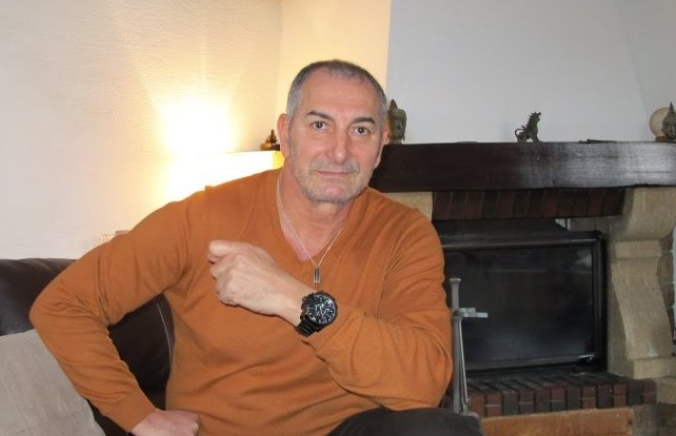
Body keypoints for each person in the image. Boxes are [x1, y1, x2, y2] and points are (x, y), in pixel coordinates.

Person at [30, 59, 484, 436]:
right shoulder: (202, 217)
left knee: (441, 431)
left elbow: (423, 385)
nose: (340, 151)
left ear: (382, 146)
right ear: (286, 133)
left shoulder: (405, 233)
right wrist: (137, 414)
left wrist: (294, 299)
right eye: (320, 124)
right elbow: (64, 305)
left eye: (361, 130)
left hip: (347, 428)